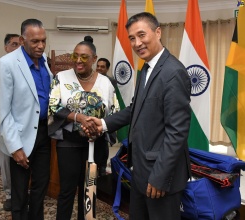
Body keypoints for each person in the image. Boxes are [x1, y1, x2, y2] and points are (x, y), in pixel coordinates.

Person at [84, 12, 191, 220]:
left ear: (158, 32)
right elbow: (136, 109)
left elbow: (177, 132)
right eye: (132, 38)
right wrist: (103, 124)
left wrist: (160, 177)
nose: (137, 43)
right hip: (141, 170)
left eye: (142, 35)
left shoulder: (173, 72)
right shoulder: (146, 68)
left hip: (161, 176)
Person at [48, 36, 119, 220]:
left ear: (94, 59)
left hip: (95, 145)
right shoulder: (61, 78)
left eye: (84, 57)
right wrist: (79, 117)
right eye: (75, 55)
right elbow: (54, 107)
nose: (78, 60)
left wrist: (98, 129)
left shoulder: (106, 83)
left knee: (89, 191)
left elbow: (114, 113)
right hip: (68, 144)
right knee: (67, 191)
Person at [0, 18, 52, 220]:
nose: (41, 45)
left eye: (43, 40)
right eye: (35, 41)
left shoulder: (44, 60)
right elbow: (4, 110)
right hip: (20, 136)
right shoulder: (7, 64)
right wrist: (15, 147)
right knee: (19, 192)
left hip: (44, 133)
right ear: (22, 39)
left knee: (40, 186)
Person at [0, 33, 20, 211]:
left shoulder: (27, 65)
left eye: (19, 44)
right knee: (6, 156)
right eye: (13, 44)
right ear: (6, 47)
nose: (17, 47)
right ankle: (9, 194)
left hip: (23, 118)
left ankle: (23, 190)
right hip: (3, 116)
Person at [95, 57, 118, 176]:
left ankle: (102, 169)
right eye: (98, 66)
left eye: (102, 67)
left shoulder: (111, 81)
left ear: (107, 69)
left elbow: (112, 100)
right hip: (92, 117)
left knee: (103, 144)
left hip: (105, 117)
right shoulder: (91, 78)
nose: (99, 68)